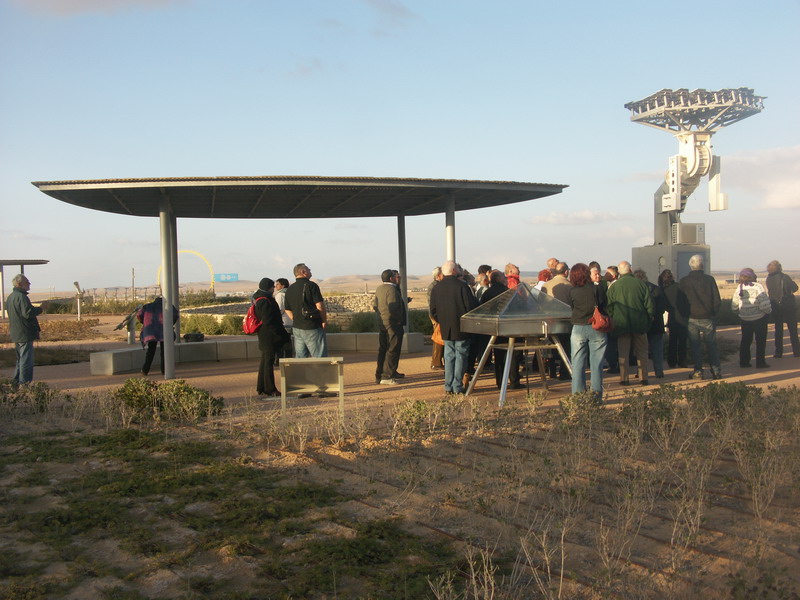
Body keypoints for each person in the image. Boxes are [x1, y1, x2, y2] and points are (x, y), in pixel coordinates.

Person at [429, 260, 478, 394]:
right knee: (461, 355)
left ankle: (448, 385)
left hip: (446, 327)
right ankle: (457, 385)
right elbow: (470, 307)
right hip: (461, 327)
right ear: (454, 271)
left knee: (449, 355)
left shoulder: (437, 287)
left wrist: (442, 321)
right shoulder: (462, 286)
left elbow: (433, 310)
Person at [606, 261, 653, 386]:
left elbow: (609, 306)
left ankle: (624, 378)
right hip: (640, 324)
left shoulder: (614, 286)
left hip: (622, 325)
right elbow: (649, 305)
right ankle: (643, 378)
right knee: (642, 351)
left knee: (623, 353)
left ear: (619, 272)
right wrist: (648, 319)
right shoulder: (641, 284)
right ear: (630, 270)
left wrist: (614, 318)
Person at [568, 263, 608, 400]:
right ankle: (596, 398)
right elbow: (604, 305)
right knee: (596, 364)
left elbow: (572, 307)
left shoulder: (572, 291)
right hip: (596, 327)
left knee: (577, 364)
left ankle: (578, 397)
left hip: (578, 327)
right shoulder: (597, 289)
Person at [679, 254, 721, 380]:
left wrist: (685, 314)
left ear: (690, 266)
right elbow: (717, 299)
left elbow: (681, 302)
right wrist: (713, 312)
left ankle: (698, 371)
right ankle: (716, 371)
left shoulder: (684, 281)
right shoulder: (709, 279)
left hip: (691, 318)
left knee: (695, 346)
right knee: (711, 345)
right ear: (702, 265)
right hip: (707, 317)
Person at [480, 270, 523, 389]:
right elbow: (516, 309)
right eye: (503, 276)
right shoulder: (507, 292)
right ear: (499, 279)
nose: (505, 278)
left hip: (494, 327)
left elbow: (483, 309)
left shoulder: (487, 293)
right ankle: (514, 380)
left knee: (498, 355)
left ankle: (500, 382)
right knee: (513, 353)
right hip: (509, 327)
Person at [6, 274, 47, 384]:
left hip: (16, 332)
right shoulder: (22, 297)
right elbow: (28, 313)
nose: (29, 284)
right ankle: (24, 384)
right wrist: (41, 308)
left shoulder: (11, 297)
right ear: (20, 284)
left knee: (20, 359)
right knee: (26, 361)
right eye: (27, 282)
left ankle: (16, 383)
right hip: (25, 332)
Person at [253, 278, 290, 395]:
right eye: (272, 286)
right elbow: (268, 320)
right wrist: (278, 333)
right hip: (269, 335)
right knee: (268, 362)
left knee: (265, 361)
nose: (273, 289)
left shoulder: (258, 298)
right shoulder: (265, 300)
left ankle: (262, 386)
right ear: (268, 287)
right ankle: (270, 388)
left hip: (264, 334)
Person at [284, 263, 328, 358]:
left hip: (297, 328)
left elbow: (287, 309)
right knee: (319, 357)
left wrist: (296, 319)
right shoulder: (311, 285)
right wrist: (324, 320)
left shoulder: (290, 289)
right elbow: (320, 306)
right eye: (308, 269)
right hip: (312, 326)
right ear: (304, 272)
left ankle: (300, 369)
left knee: (300, 358)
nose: (310, 270)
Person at [732, 268, 772, 369]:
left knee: (745, 340)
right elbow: (764, 303)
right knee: (760, 341)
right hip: (759, 318)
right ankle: (760, 362)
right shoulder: (758, 286)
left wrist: (739, 312)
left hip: (745, 319)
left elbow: (734, 305)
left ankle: (744, 362)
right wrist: (768, 312)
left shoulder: (739, 287)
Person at [373, 269, 406, 385]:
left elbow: (375, 306)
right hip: (392, 324)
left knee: (383, 349)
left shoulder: (379, 288)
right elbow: (394, 307)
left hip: (382, 323)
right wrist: (397, 320)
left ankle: (380, 374)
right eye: (396, 276)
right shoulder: (392, 289)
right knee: (393, 349)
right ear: (391, 278)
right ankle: (387, 376)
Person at [633, 269, 667, 378]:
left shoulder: (636, 290)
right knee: (657, 349)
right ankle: (659, 371)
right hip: (657, 324)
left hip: (641, 324)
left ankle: (641, 372)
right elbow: (662, 307)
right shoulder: (656, 289)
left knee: (641, 350)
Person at [542, 262, 573, 380]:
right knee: (566, 348)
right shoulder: (570, 286)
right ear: (566, 272)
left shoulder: (546, 285)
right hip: (565, 321)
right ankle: (565, 372)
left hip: (550, 322)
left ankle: (552, 371)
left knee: (551, 347)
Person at [765, 260, 800, 358]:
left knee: (778, 329)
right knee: (793, 329)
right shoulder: (785, 277)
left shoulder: (768, 279)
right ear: (779, 267)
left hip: (775, 305)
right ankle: (797, 351)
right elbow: (795, 288)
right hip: (787, 305)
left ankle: (778, 352)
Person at [137, 296, 178, 376]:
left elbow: (139, 315)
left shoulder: (147, 306)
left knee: (151, 351)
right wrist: (170, 323)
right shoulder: (168, 307)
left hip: (151, 331)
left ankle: (145, 370)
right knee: (164, 351)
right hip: (164, 330)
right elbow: (176, 315)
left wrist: (144, 322)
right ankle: (164, 370)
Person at [658, 269, 689, 369]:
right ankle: (682, 361)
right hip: (683, 317)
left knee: (672, 341)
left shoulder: (663, 290)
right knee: (683, 341)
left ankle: (672, 361)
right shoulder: (679, 286)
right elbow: (686, 301)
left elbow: (664, 306)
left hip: (672, 317)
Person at [428, 266, 444, 370]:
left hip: (436, 315)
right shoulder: (435, 286)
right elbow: (432, 304)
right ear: (438, 275)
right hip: (436, 316)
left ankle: (437, 361)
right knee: (438, 339)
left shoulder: (435, 285)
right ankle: (436, 362)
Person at [273, 277, 293, 362]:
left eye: (278, 284)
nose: (276, 286)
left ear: (283, 286)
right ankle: (289, 359)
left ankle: (279, 360)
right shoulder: (290, 293)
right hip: (290, 320)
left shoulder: (280, 295)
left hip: (283, 321)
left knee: (281, 342)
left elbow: (279, 309)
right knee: (288, 341)